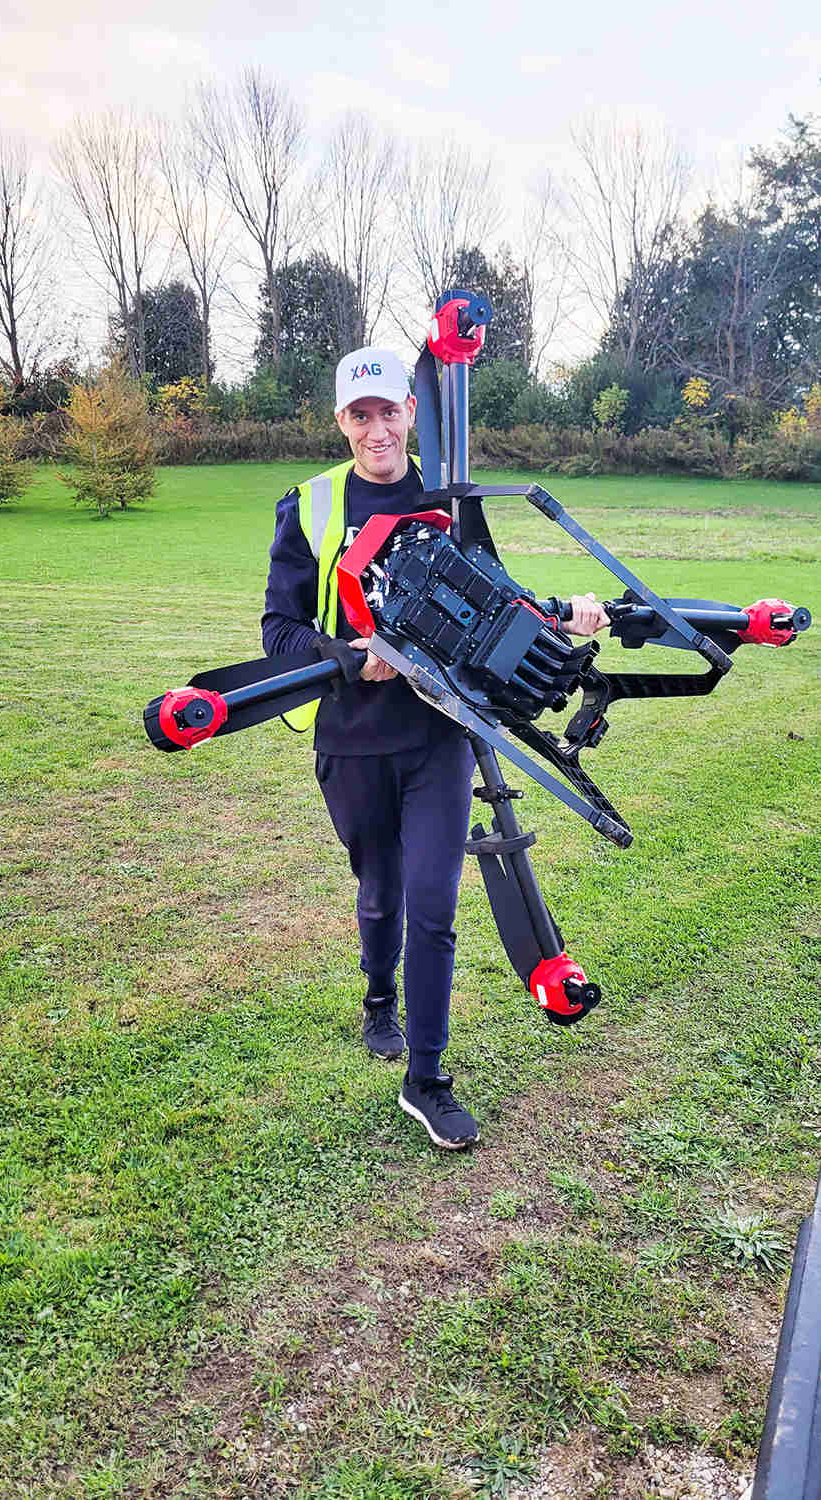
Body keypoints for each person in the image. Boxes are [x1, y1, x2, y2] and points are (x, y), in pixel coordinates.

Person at [262, 347, 609, 1150]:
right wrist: (356, 657)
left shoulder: (450, 497)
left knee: (435, 906)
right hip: (352, 739)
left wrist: (566, 612)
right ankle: (377, 996)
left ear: (412, 413)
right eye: (360, 415)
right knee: (379, 892)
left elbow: (497, 598)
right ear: (341, 422)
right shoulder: (310, 508)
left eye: (389, 410)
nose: (376, 427)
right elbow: (278, 635)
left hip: (441, 736)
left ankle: (428, 1078)